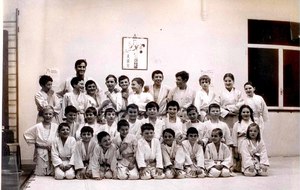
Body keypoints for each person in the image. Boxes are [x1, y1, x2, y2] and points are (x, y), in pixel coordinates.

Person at [23, 106, 59, 176]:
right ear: (42, 114)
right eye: (46, 114)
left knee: (53, 173)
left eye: (50, 114)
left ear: (53, 115)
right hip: (41, 151)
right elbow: (26, 134)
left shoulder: (56, 126)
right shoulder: (38, 126)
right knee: (41, 173)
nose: (48, 116)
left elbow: (59, 138)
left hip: (52, 150)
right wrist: (37, 144)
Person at [232, 105, 255, 172]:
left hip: (251, 142)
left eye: (247, 112)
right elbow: (234, 136)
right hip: (240, 142)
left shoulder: (253, 124)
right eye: (243, 112)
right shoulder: (237, 124)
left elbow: (257, 135)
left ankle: (251, 166)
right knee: (242, 154)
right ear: (240, 113)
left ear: (250, 113)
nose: (246, 114)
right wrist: (235, 147)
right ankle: (243, 167)